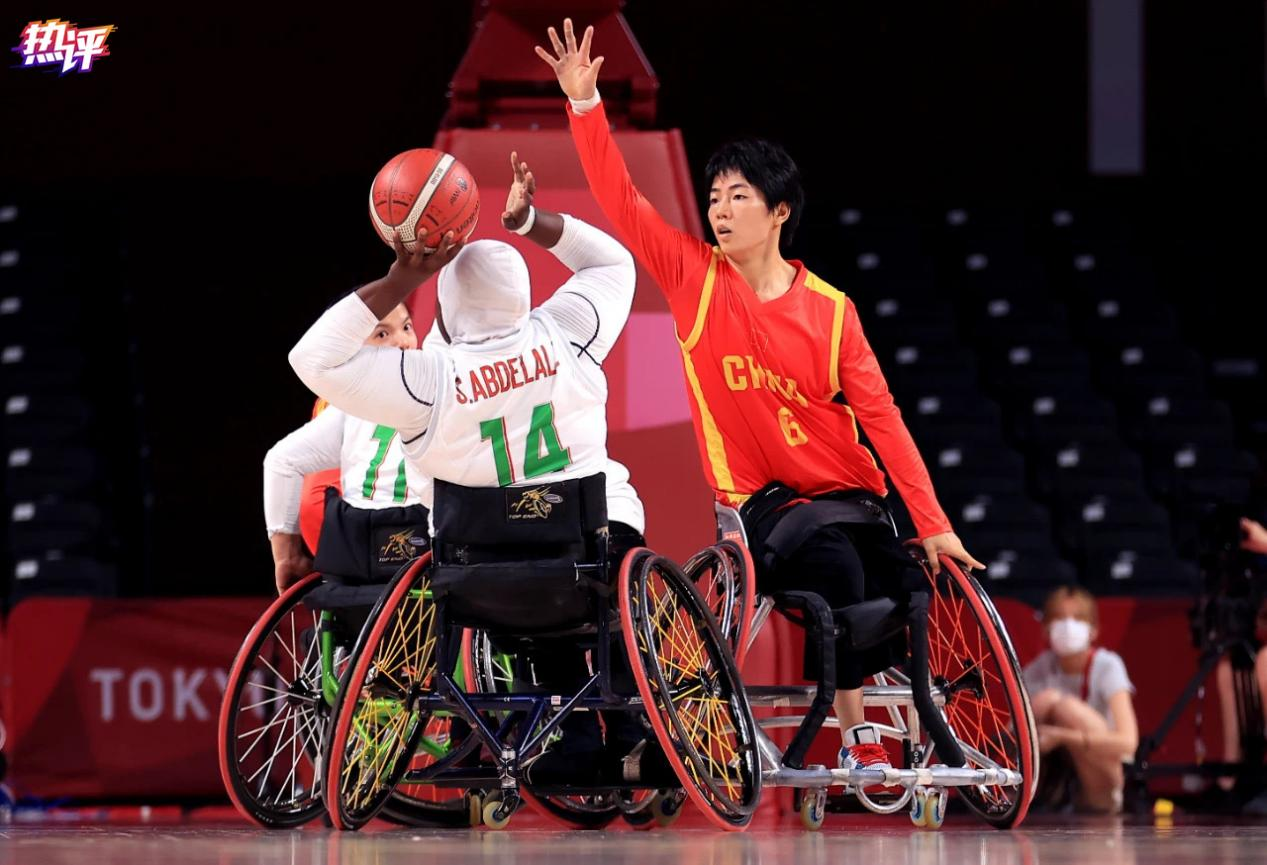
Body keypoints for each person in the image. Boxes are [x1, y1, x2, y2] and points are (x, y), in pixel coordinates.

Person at [536, 17, 982, 772]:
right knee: (836, 569)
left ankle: (920, 725)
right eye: (714, 196)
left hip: (848, 494)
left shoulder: (832, 311)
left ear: (779, 211)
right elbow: (623, 199)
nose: (719, 208)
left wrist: (932, 524)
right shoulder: (694, 277)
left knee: (904, 577)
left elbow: (883, 421)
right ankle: (858, 734)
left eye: (738, 195)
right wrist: (585, 104)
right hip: (761, 505)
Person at [288, 151, 643, 779]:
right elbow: (614, 263)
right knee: (599, 578)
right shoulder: (570, 333)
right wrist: (532, 222)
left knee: (523, 596)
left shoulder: (428, 380)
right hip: (591, 551)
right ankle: (635, 723)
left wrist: (401, 277)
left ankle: (573, 735)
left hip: (482, 578)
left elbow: (310, 359)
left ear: (447, 311)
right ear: (523, 297)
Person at [1023, 585, 1139, 813]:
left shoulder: (1108, 665)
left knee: (1065, 707)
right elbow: (1010, 732)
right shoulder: (1039, 669)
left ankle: (1101, 801)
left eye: (1077, 618)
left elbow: (1128, 742)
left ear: (1093, 630)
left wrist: (1062, 737)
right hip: (1057, 767)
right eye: (1059, 618)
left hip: (1102, 774)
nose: (1068, 626)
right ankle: (1024, 795)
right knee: (1045, 700)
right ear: (1046, 628)